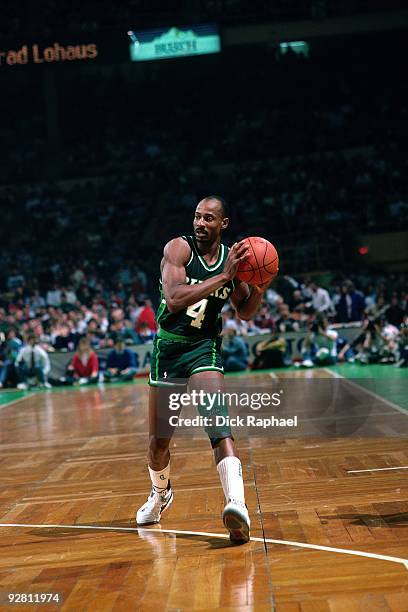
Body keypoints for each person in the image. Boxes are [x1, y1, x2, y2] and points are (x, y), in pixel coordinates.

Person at [136, 196, 270, 543]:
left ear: (223, 224)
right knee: (158, 445)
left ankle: (237, 505)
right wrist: (223, 278)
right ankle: (161, 493)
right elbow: (176, 297)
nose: (200, 223)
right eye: (197, 216)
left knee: (217, 422)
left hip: (203, 349)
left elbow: (245, 311)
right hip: (168, 349)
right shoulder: (178, 249)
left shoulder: (233, 260)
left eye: (208, 218)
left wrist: (259, 287)